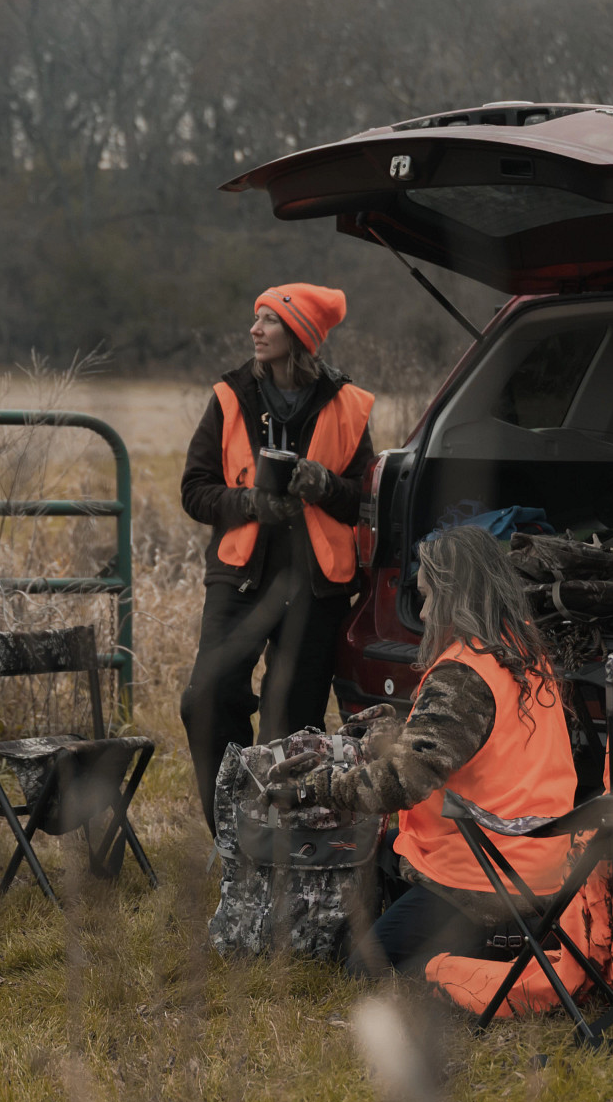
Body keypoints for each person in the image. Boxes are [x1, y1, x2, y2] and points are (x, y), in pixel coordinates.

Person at [261, 524, 577, 975]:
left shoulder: (464, 676)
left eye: (429, 597)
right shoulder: (522, 652)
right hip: (539, 861)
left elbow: (400, 783)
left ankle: (491, 945)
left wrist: (314, 787)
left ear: (455, 597)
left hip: (485, 876)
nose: (425, 613)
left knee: (362, 972)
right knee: (385, 849)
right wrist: (397, 730)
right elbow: (476, 746)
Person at [178, 283, 375, 827]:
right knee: (207, 701)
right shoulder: (229, 395)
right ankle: (231, 829)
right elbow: (195, 491)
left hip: (317, 587)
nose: (255, 330)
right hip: (240, 577)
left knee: (292, 727)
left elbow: (365, 501)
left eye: (268, 320)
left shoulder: (349, 405)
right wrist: (250, 503)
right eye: (256, 318)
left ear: (301, 336)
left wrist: (325, 486)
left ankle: (279, 839)